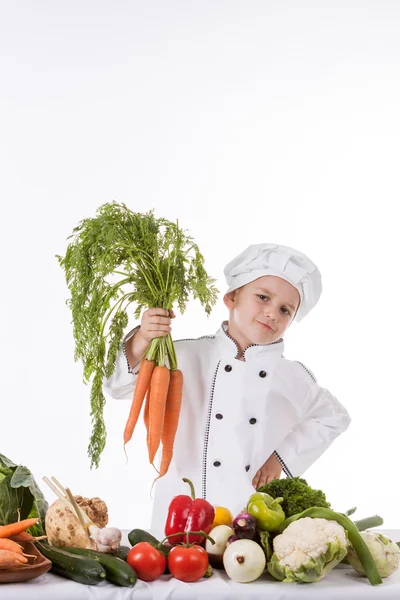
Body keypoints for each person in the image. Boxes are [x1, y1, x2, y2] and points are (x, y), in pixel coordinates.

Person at [104, 243, 351, 533]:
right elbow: (118, 386)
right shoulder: (182, 355)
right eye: (262, 297)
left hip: (247, 526)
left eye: (285, 310)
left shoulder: (291, 376)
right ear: (232, 297)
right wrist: (144, 337)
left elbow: (334, 417)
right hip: (177, 520)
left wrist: (279, 458)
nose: (272, 313)